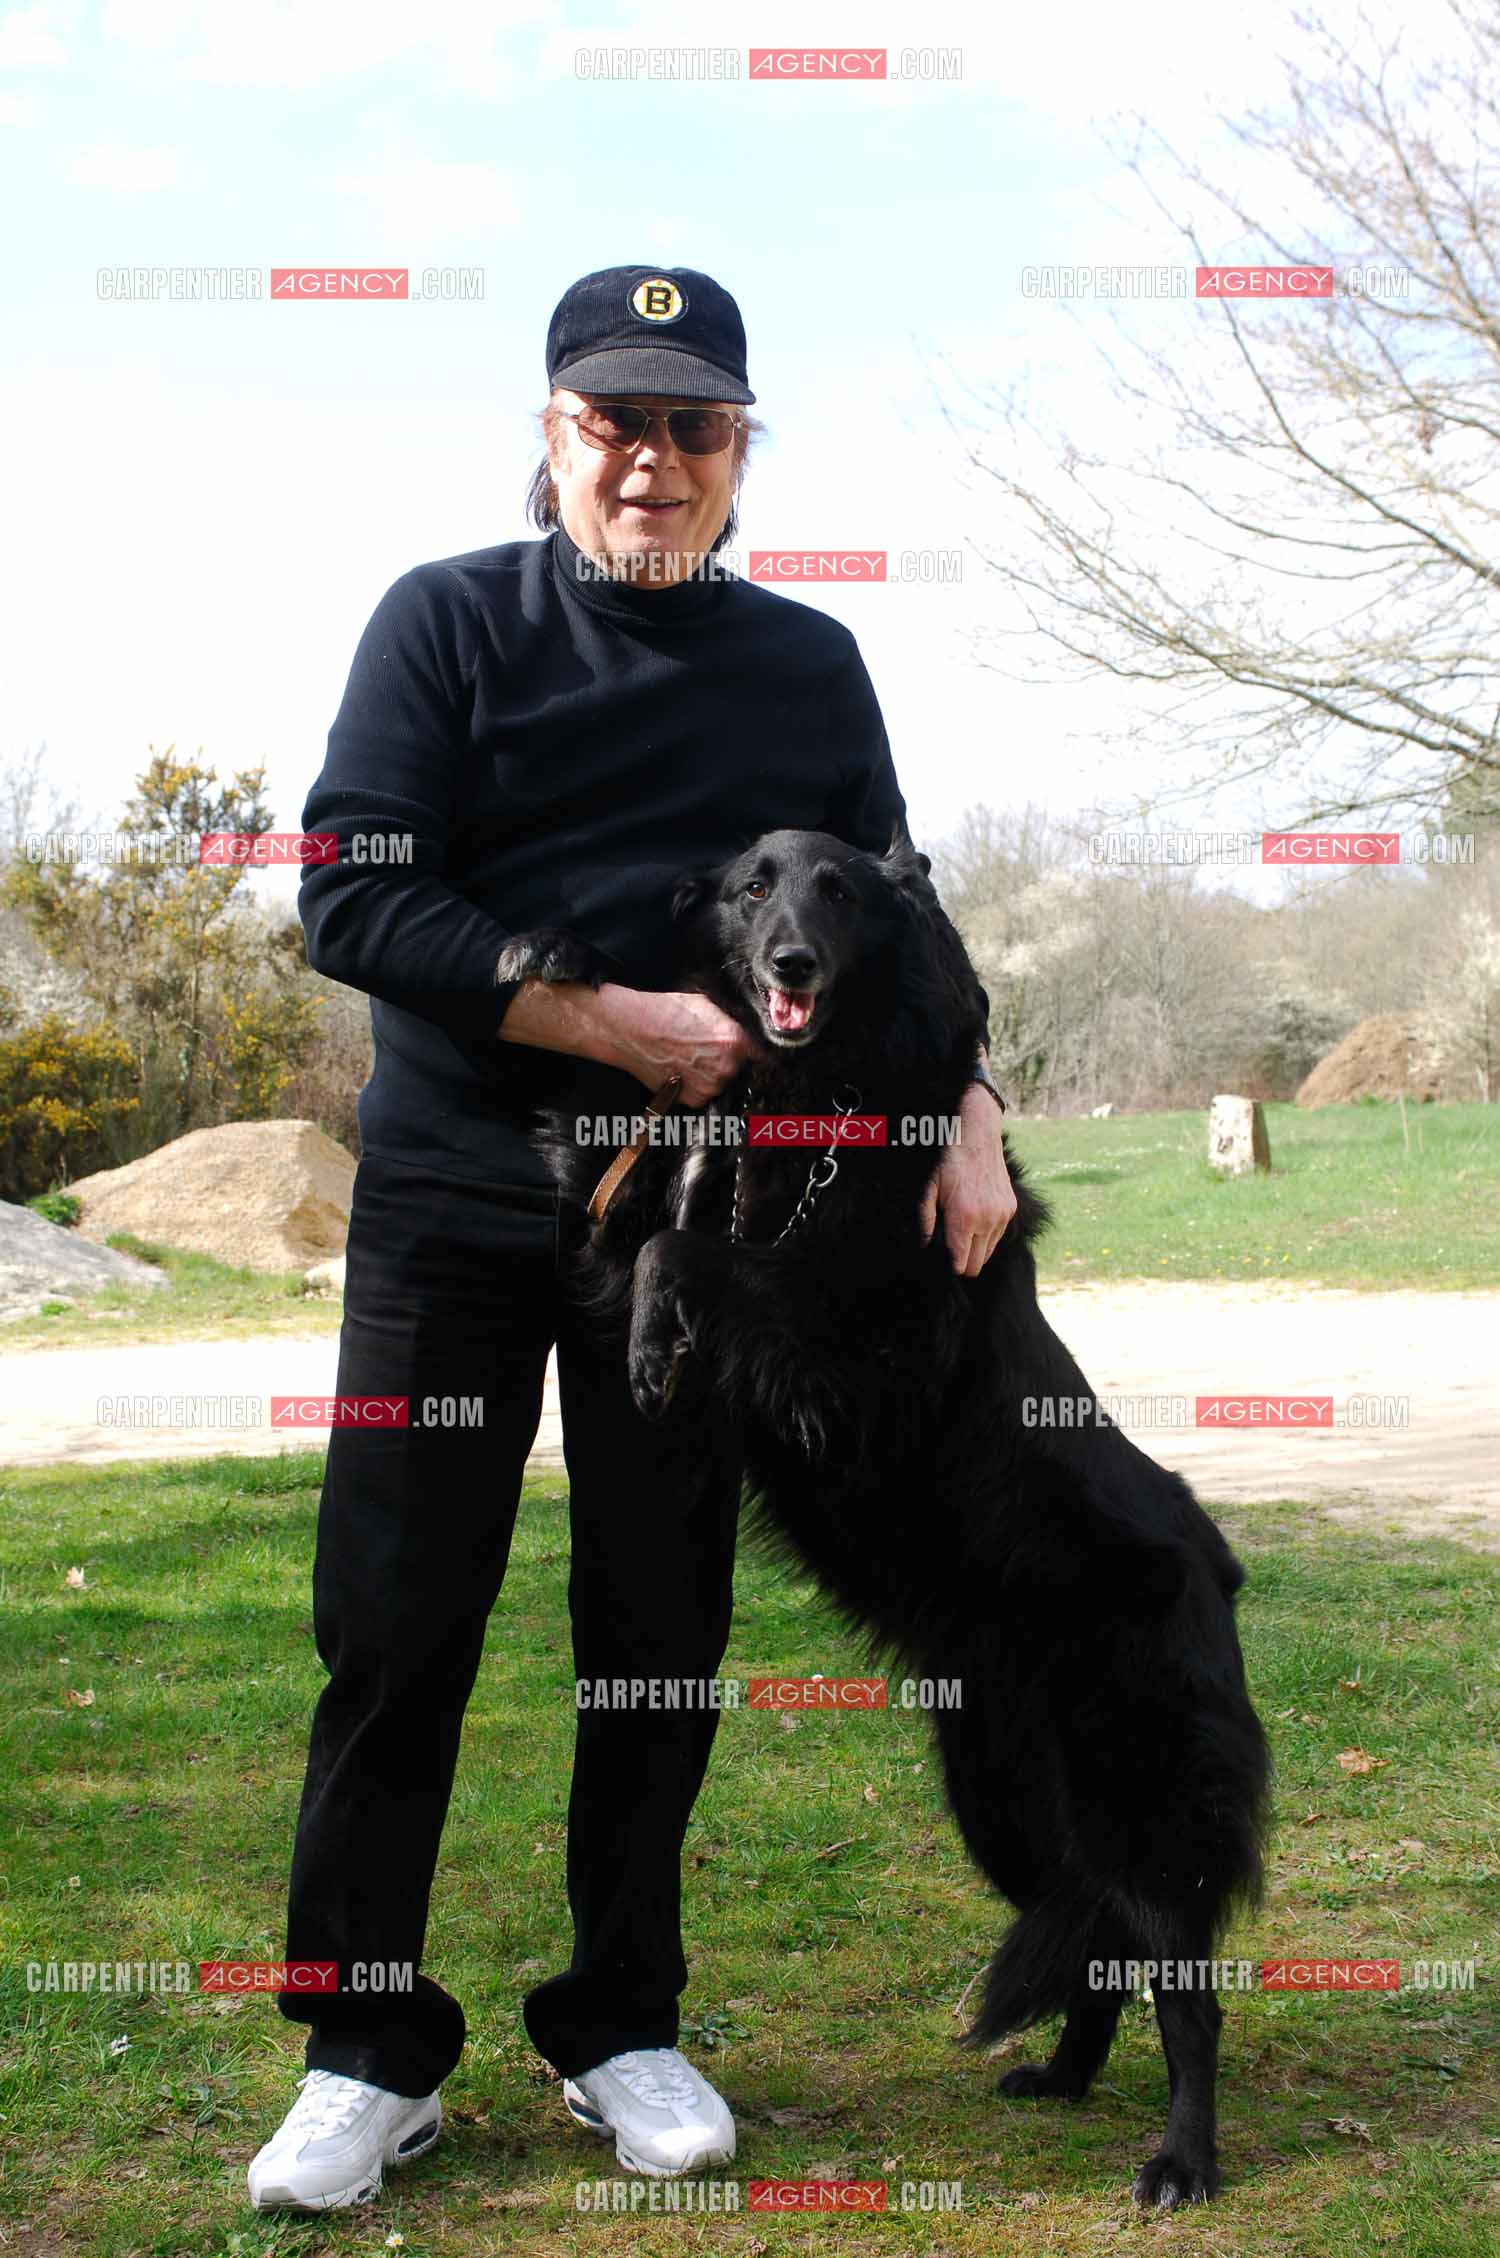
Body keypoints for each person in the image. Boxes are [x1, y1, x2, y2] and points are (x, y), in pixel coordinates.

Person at [247, 264, 1017, 2214]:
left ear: (741, 450)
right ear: (553, 430)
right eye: (617, 420)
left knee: (658, 1626)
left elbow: (902, 922)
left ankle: (622, 2013)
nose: (654, 459)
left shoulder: (810, 667)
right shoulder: (444, 623)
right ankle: (363, 2049)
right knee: (397, 1615)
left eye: (696, 425)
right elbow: (351, 896)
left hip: (705, 1224)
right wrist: (590, 1013)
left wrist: (973, 1115)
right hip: (454, 1194)